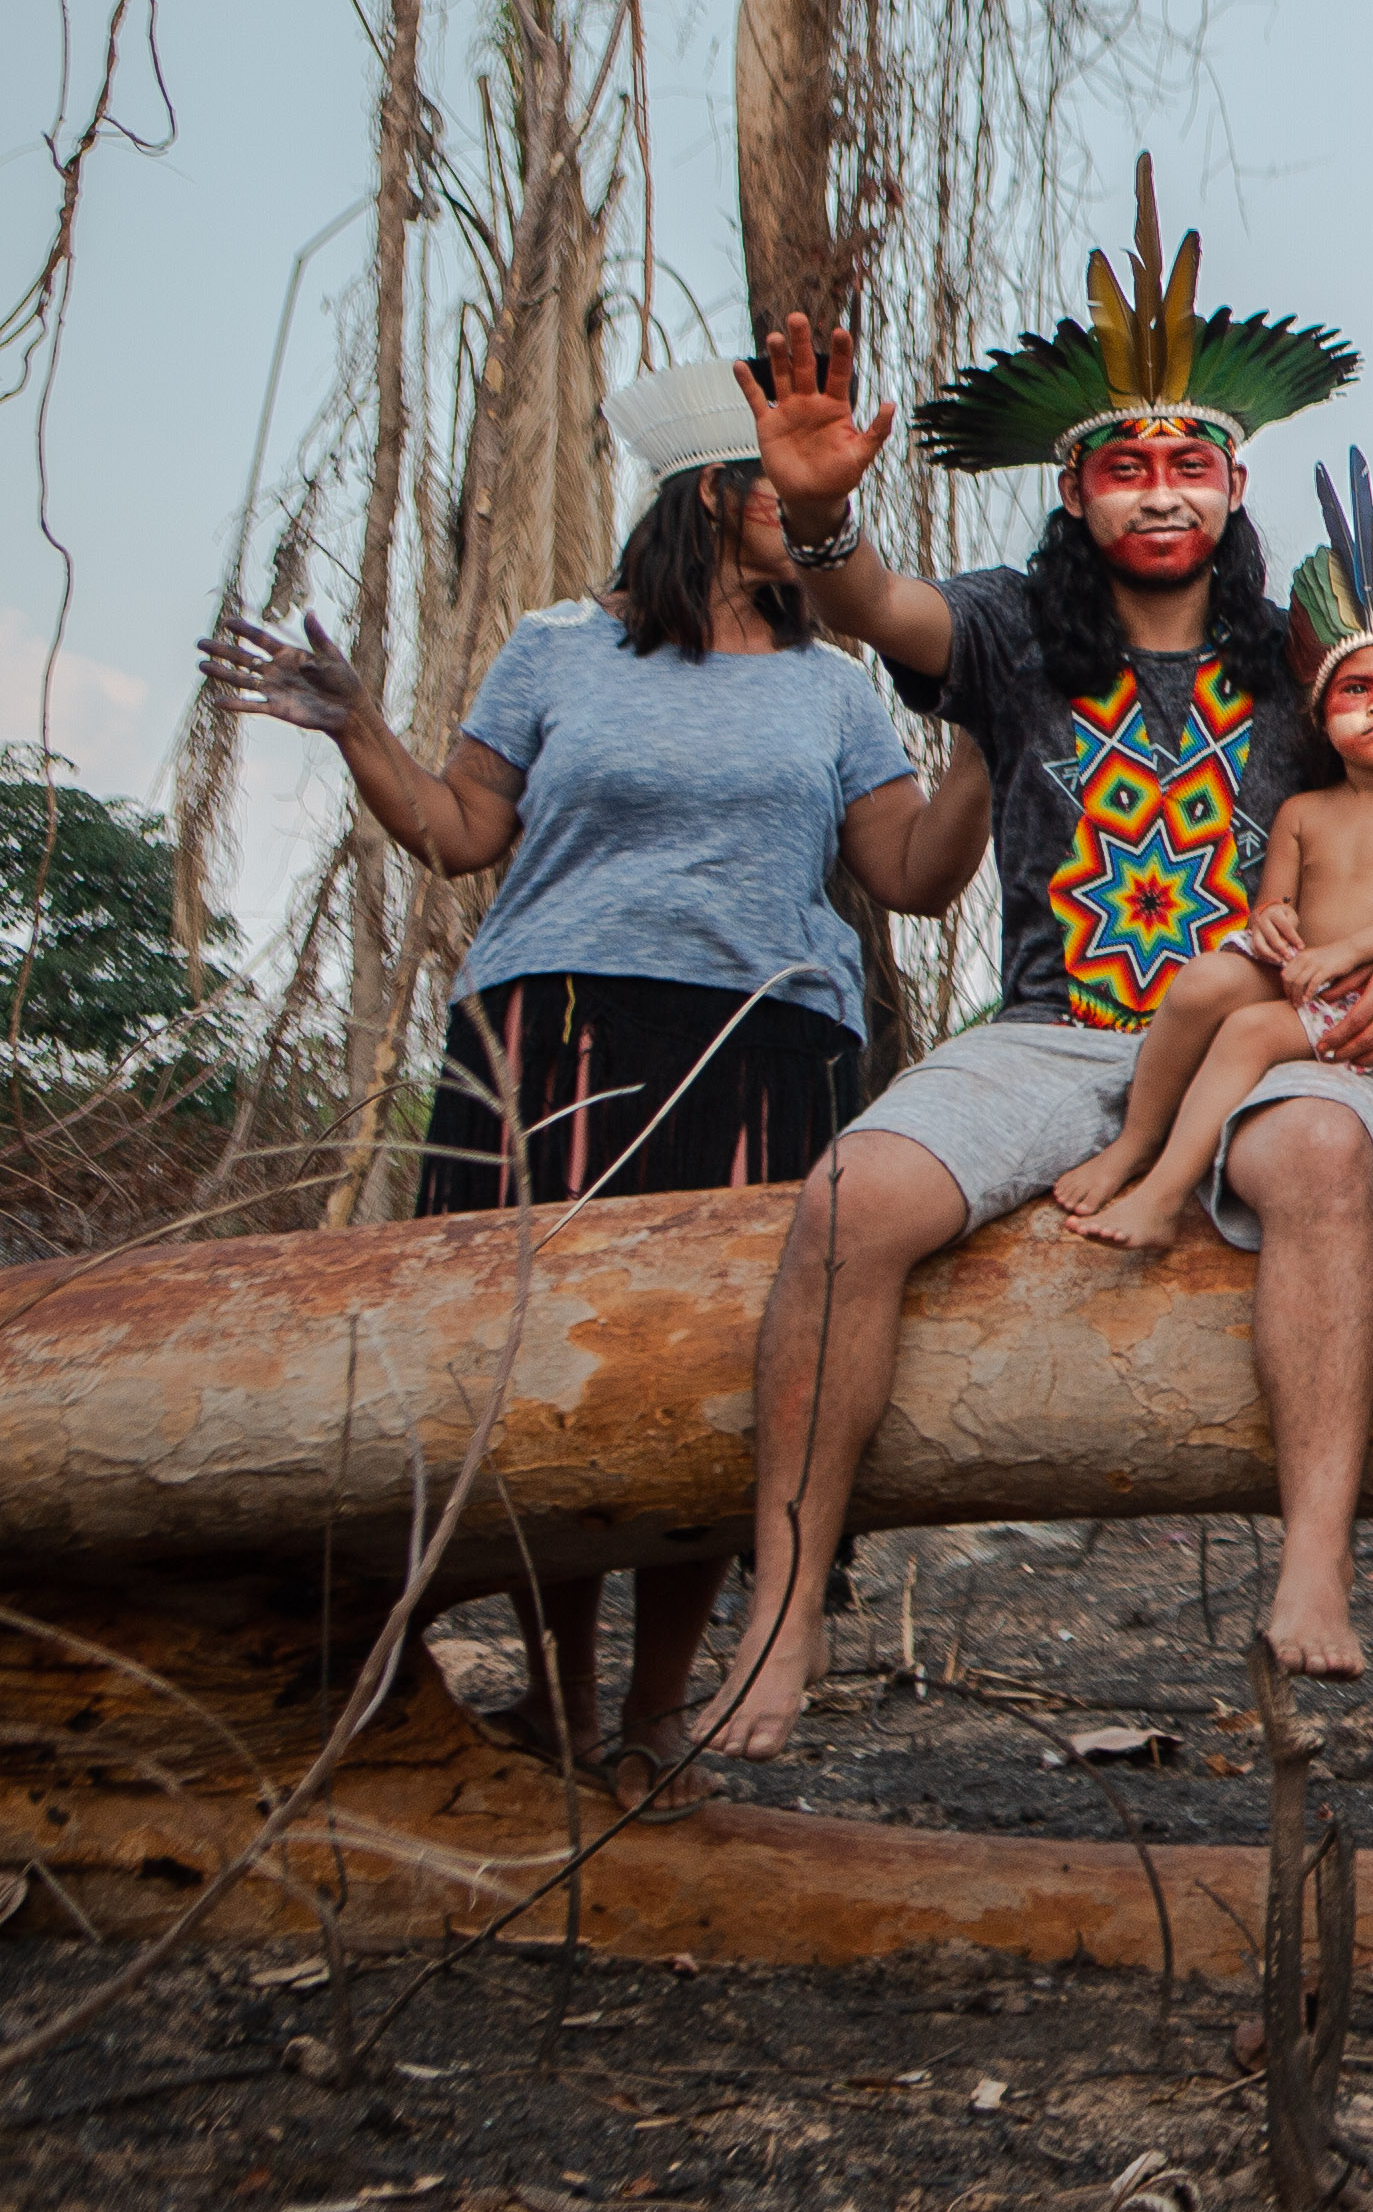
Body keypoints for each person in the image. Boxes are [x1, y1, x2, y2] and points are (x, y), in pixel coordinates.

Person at [711, 164, 1373, 1757]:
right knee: (850, 1202)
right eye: (1126, 467)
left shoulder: (1309, 650)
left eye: (1191, 463)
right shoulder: (1011, 631)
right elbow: (875, 601)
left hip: (1286, 1029)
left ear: (1233, 486)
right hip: (1051, 1033)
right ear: (1075, 495)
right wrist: (817, 516)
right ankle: (786, 1620)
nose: (1161, 491)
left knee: (1311, 1168)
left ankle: (1314, 1574)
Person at [196, 357, 964, 1788]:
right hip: (548, 1041)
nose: (803, 506)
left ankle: (655, 1714)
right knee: (538, 1381)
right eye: (773, 486)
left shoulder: (839, 689)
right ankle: (553, 1694)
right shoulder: (555, 649)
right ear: (707, 497)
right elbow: (460, 830)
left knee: (707, 1386)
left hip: (762, 1045)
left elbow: (911, 877)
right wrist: (361, 725)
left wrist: (993, 741)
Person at [1057, 459, 1373, 1253]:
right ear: (1319, 719)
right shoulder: (1304, 810)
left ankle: (1163, 1191)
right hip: (1305, 976)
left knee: (1248, 1033)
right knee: (1209, 978)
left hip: (1368, 1003)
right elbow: (1272, 906)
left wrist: (1351, 950)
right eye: (1355, 691)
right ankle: (1134, 1139)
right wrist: (1277, 925)